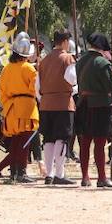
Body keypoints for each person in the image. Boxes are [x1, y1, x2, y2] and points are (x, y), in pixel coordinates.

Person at [75, 33, 112, 188]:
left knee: (85, 143)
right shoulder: (103, 63)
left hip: (83, 104)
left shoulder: (80, 61)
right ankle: (102, 177)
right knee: (100, 143)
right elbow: (111, 86)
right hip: (100, 105)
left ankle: (85, 177)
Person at [0, 34, 38, 184]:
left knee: (16, 142)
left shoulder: (7, 69)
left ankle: (14, 172)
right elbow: (36, 88)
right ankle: (21, 172)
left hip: (11, 108)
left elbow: (2, 91)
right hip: (26, 108)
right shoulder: (29, 68)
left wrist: (8, 104)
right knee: (25, 142)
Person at [37, 28, 78, 186]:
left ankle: (49, 174)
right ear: (66, 41)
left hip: (46, 104)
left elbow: (37, 87)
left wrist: (44, 99)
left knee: (48, 139)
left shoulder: (44, 61)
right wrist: (75, 89)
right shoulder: (68, 58)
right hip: (63, 104)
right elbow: (72, 79)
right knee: (62, 138)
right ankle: (59, 174)